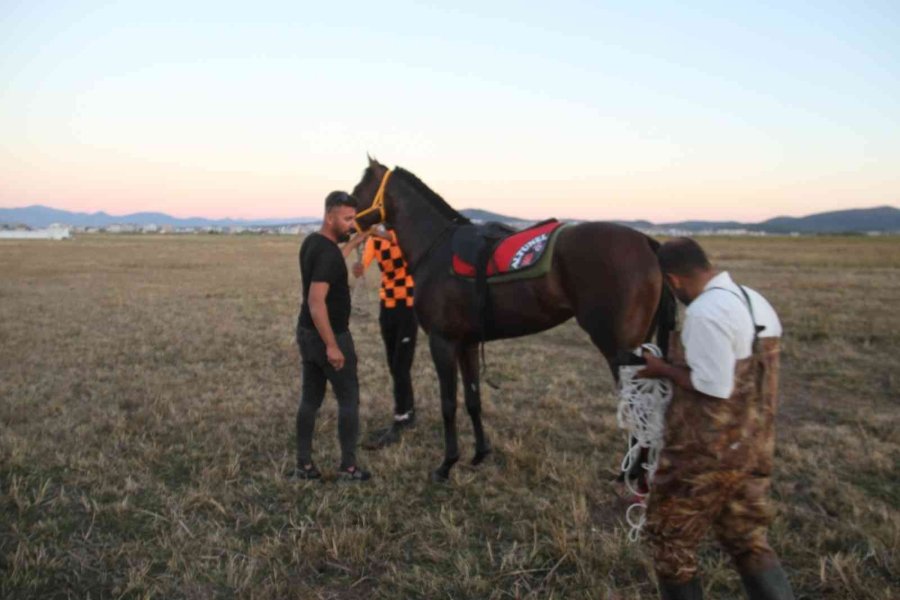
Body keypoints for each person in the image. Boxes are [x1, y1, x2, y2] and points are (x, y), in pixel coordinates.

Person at [636, 238, 794, 600]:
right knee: (748, 540)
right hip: (754, 447)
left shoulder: (707, 312)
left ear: (673, 280)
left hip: (704, 457)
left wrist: (662, 368)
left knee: (670, 540)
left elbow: (714, 385)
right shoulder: (755, 301)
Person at [292, 191, 371, 482]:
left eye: (353, 219)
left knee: (310, 399)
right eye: (347, 219)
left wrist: (354, 242)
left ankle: (304, 467)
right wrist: (333, 346)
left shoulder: (313, 242)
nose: (352, 224)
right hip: (330, 336)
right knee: (349, 399)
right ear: (330, 217)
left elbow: (333, 261)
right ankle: (348, 468)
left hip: (306, 334)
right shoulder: (327, 253)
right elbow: (316, 301)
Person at [353, 226, 419, 448]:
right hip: (387, 306)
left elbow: (392, 236)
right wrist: (359, 268)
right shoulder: (373, 241)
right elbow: (365, 263)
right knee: (394, 365)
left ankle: (401, 417)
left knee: (401, 365)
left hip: (408, 306)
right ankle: (408, 411)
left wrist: (375, 231)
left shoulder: (404, 233)